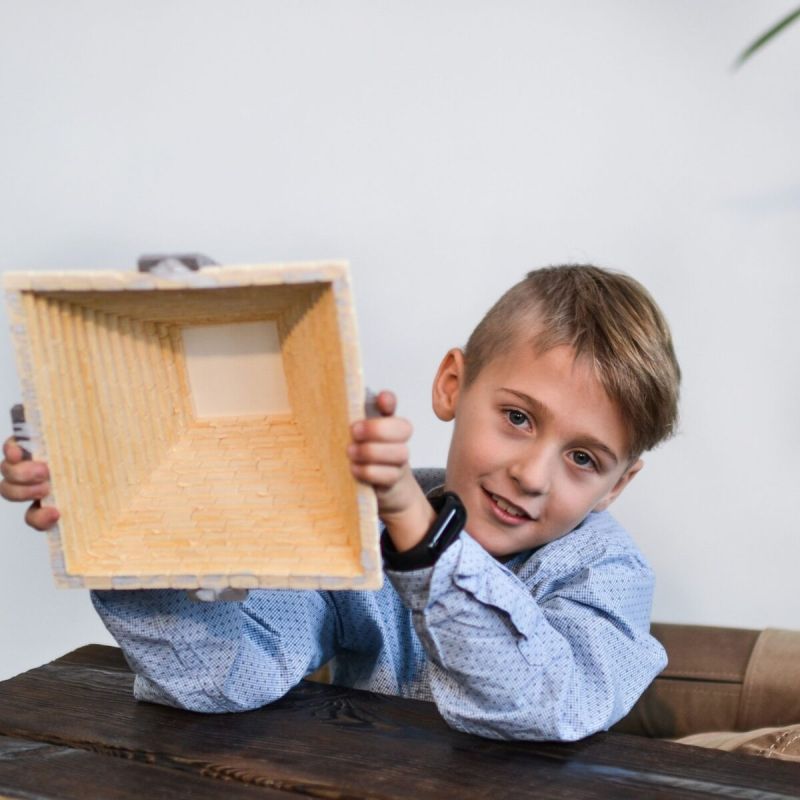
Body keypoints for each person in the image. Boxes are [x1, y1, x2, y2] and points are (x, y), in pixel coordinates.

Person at [0, 264, 680, 741]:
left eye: (583, 458)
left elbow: (546, 704)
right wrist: (121, 514)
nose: (533, 474)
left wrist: (420, 533)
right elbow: (223, 676)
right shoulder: (357, 524)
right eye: (518, 418)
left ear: (617, 485)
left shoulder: (608, 575)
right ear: (452, 386)